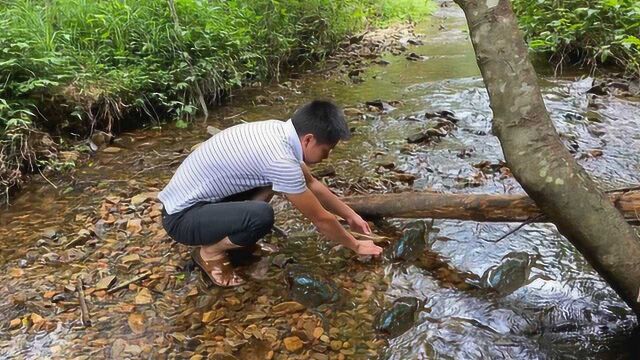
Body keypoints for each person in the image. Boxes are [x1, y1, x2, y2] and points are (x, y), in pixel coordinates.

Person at [158, 100, 383, 287]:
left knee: (269, 186)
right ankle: (210, 252)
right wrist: (355, 245)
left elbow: (312, 184)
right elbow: (321, 219)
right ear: (308, 139)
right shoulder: (281, 160)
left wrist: (352, 216)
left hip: (195, 203)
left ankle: (235, 237)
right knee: (261, 217)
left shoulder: (279, 131)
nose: (327, 157)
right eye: (326, 150)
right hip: (180, 219)